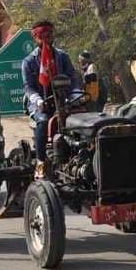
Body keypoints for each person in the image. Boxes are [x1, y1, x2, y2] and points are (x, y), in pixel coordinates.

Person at [22, 21, 81, 164]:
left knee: (82, 119)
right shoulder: (29, 61)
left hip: (64, 101)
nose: (46, 39)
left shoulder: (62, 57)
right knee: (43, 121)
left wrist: (75, 96)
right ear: (35, 38)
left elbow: (73, 79)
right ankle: (41, 163)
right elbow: (28, 87)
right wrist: (38, 100)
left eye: (48, 35)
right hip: (40, 103)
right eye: (42, 36)